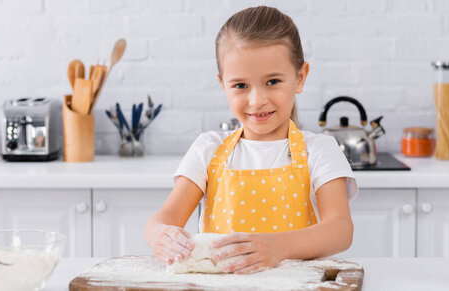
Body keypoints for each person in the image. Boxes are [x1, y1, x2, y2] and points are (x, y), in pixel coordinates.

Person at [145, 6, 358, 274]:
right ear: (223, 84)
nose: (257, 101)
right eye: (240, 85)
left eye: (272, 81)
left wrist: (278, 247)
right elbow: (165, 218)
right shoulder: (208, 149)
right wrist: (159, 235)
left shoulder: (319, 150)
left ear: (300, 77)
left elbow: (340, 229)